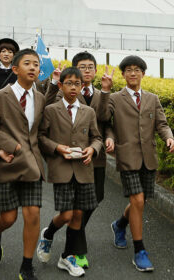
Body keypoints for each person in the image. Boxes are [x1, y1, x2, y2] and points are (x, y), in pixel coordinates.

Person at [98, 55, 174, 272]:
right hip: (127, 156)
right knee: (138, 200)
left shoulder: (152, 98)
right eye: (129, 70)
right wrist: (105, 91)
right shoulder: (114, 97)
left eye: (137, 69)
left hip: (149, 157)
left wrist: (168, 137)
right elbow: (104, 118)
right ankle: (139, 250)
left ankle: (120, 224)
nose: (133, 73)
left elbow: (162, 123)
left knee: (140, 203)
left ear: (143, 73)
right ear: (123, 75)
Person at [43, 51, 114, 270]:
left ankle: (68, 248)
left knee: (88, 204)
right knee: (72, 211)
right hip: (66, 161)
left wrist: (98, 145)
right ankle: (64, 241)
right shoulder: (60, 98)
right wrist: (54, 83)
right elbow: (45, 118)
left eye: (90, 67)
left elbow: (103, 121)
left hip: (92, 159)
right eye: (82, 66)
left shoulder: (100, 95)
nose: (87, 70)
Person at [0, 48, 46, 280]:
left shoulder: (40, 98)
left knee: (33, 215)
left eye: (36, 64)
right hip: (8, 163)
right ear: (15, 69)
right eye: (28, 63)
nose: (33, 68)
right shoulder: (0, 97)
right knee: (8, 218)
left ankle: (27, 265)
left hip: (32, 166)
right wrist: (9, 145)